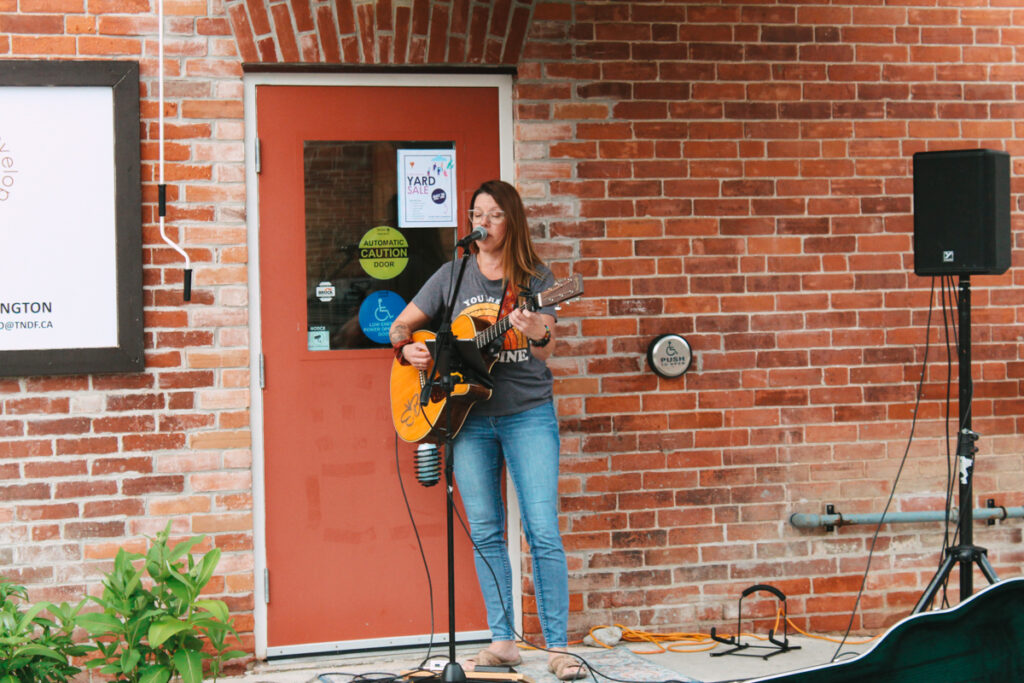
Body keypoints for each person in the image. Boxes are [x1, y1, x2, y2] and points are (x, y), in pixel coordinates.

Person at [389, 180, 585, 680]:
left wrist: (537, 328)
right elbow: (401, 324)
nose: (484, 223)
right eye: (477, 214)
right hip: (468, 419)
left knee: (542, 529)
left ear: (511, 220)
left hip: (526, 414)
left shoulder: (536, 278)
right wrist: (404, 348)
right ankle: (503, 642)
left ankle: (558, 646)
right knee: (486, 532)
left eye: (494, 215)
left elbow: (545, 349)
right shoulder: (453, 274)